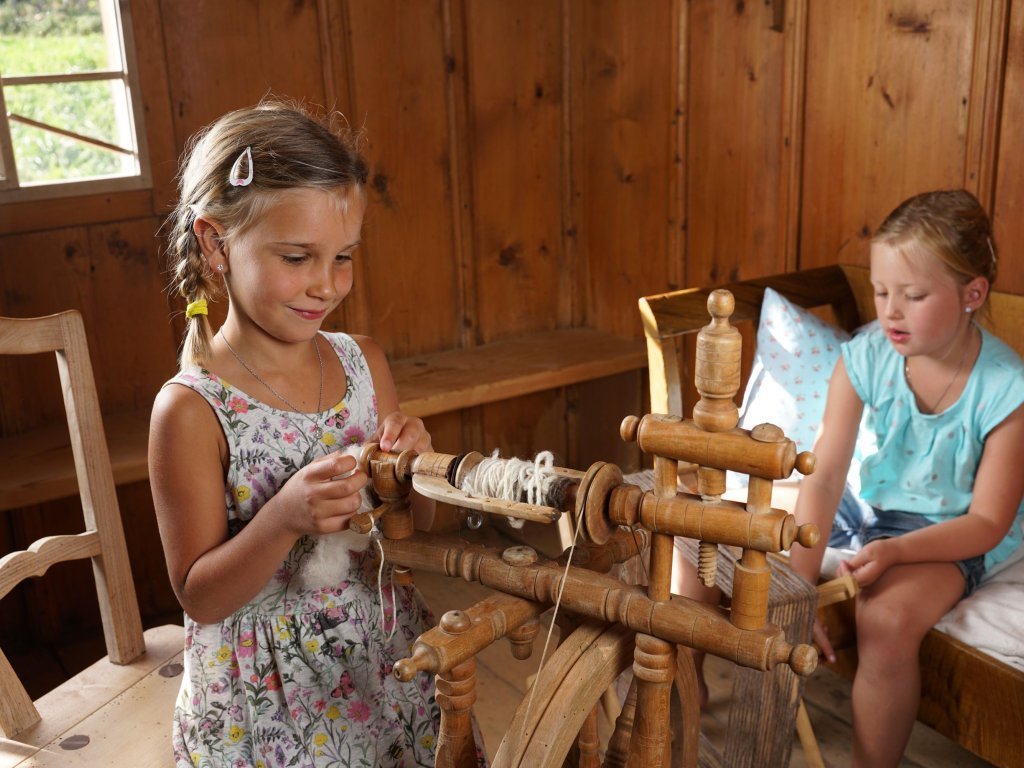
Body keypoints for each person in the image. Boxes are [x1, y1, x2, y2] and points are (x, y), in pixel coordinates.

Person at [150, 99, 474, 767]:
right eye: (298, 257)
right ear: (215, 243)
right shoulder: (191, 410)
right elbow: (199, 595)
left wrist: (415, 472)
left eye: (343, 258)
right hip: (263, 699)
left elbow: (416, 532)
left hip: (383, 663)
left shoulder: (364, 363)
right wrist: (282, 520)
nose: (325, 285)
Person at [788, 188, 1024, 767]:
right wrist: (792, 594)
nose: (890, 311)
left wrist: (894, 554)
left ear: (973, 294)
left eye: (913, 296)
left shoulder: (1008, 390)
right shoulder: (867, 354)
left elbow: (989, 522)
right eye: (881, 291)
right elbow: (822, 477)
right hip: (868, 503)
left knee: (886, 617)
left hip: (949, 528)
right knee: (731, 545)